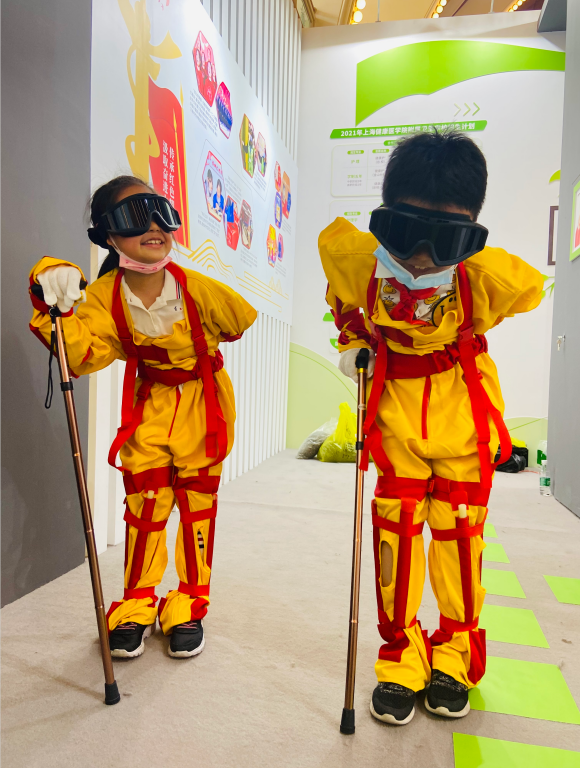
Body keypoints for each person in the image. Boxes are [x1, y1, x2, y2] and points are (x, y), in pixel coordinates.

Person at [319, 130, 543, 725]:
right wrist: (353, 339)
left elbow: (526, 291)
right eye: (405, 232)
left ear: (469, 233)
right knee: (393, 531)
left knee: (459, 536)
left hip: (462, 415)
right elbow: (343, 300)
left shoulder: (490, 278)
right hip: (395, 413)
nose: (421, 255)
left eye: (444, 239)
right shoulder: (356, 261)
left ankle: (454, 653)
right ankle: (400, 653)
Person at [28, 175, 257, 659]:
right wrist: (53, 293)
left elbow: (236, 321)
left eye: (161, 212)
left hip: (203, 404)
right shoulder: (103, 297)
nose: (153, 226)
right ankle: (137, 601)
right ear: (108, 235)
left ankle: (190, 601)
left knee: (198, 505)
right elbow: (81, 353)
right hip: (149, 403)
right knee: (146, 503)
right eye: (135, 216)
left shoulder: (200, 290)